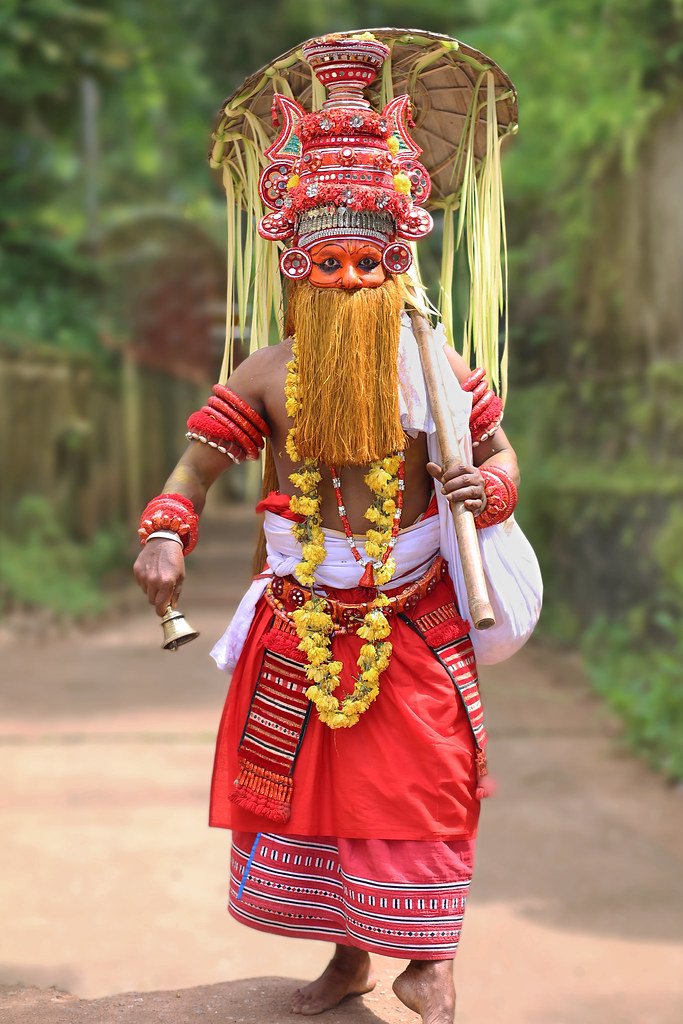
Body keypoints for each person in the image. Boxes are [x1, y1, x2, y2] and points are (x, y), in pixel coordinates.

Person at [134, 32, 538, 1024]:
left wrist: (482, 493)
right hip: (305, 613)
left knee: (425, 785)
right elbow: (197, 465)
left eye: (368, 262)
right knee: (316, 794)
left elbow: (499, 458)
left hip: (412, 613)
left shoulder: (433, 363)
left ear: (400, 259)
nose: (349, 281)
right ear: (293, 263)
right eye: (328, 263)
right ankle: (348, 958)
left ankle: (431, 963)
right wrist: (166, 529)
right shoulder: (265, 373)